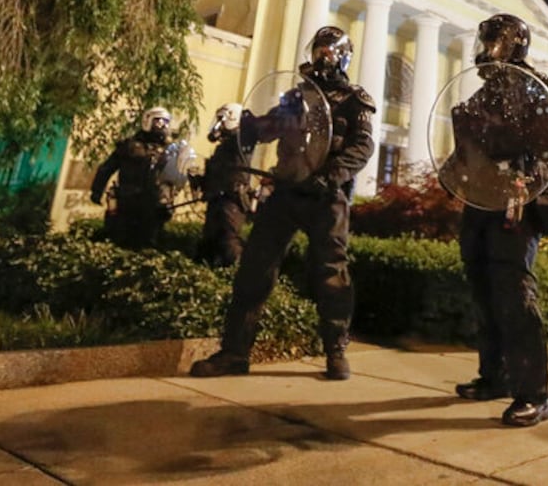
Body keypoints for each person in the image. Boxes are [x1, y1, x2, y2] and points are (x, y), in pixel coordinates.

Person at [190, 25, 376, 381]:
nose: (323, 55)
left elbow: (362, 147)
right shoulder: (297, 97)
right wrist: (248, 126)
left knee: (332, 273)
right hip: (286, 190)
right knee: (254, 270)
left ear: (344, 56)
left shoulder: (355, 99)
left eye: (330, 50)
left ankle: (335, 350)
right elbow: (269, 127)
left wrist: (332, 175)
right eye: (319, 48)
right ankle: (234, 352)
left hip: (326, 195)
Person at [450, 13, 548, 428]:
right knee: (483, 291)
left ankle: (534, 392)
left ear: (513, 43)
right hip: (480, 202)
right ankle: (494, 376)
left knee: (515, 295)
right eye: (484, 39)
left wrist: (517, 172)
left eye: (494, 40)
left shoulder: (538, 89)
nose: (486, 47)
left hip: (517, 204)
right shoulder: (482, 96)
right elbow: (468, 152)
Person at [90, 107, 175, 250]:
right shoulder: (129, 145)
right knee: (120, 240)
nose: (161, 126)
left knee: (148, 245)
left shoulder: (169, 151)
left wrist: (168, 201)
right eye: (158, 121)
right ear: (148, 121)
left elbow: (172, 179)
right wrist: (97, 190)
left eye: (165, 122)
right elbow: (107, 167)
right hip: (127, 202)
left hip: (153, 206)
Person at [196, 102, 253, 266]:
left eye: (222, 119)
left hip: (231, 202)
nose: (218, 123)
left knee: (228, 241)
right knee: (209, 242)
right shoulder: (223, 147)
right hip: (217, 199)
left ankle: (236, 274)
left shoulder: (241, 141)